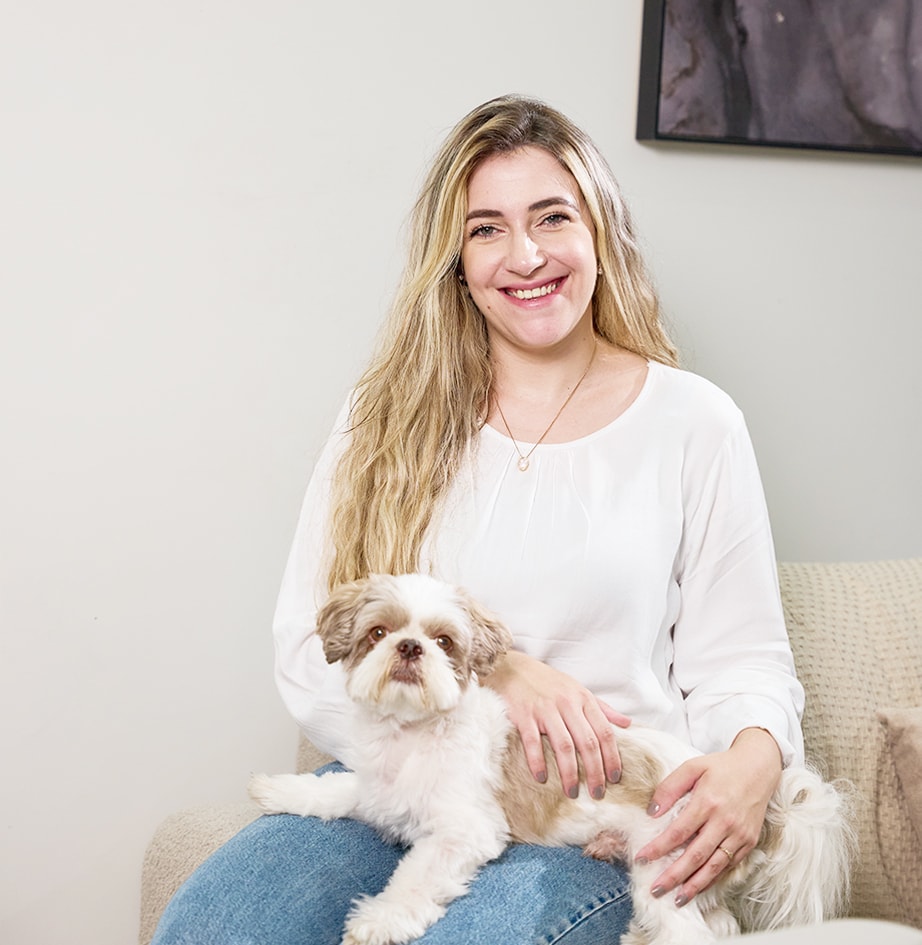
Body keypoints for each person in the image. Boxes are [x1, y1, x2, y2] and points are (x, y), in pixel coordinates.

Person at [152, 94, 804, 945]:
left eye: (552, 217)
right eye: (487, 228)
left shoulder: (695, 423)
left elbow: (745, 658)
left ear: (601, 233)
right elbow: (305, 643)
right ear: (455, 260)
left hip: (582, 811)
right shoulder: (382, 417)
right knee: (211, 929)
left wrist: (755, 763)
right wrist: (499, 675)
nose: (525, 254)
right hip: (394, 779)